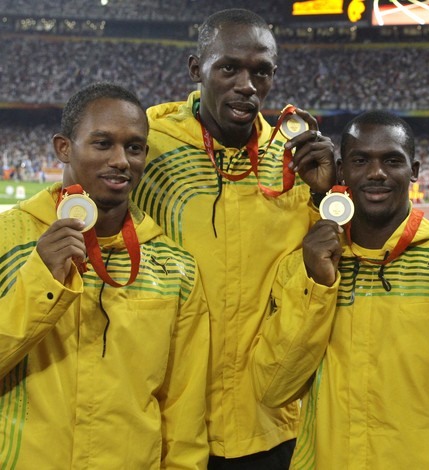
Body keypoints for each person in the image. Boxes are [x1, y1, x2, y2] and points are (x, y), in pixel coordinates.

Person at [250, 110, 429, 469]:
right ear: (342, 170)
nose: (376, 172)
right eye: (361, 160)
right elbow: (272, 388)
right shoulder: (306, 267)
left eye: (392, 160)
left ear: (415, 171)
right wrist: (317, 286)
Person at [130, 9, 336, 469]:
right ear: (195, 69)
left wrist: (328, 192)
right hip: (171, 424)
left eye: (260, 71)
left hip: (271, 422)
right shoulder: (148, 146)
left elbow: (327, 268)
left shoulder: (294, 158)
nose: (247, 84)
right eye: (229, 68)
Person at [0, 83, 210, 468]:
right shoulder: (7, 240)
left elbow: (184, 411)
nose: (120, 160)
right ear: (64, 148)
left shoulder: (175, 267)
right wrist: (42, 281)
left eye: (133, 148)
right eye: (102, 144)